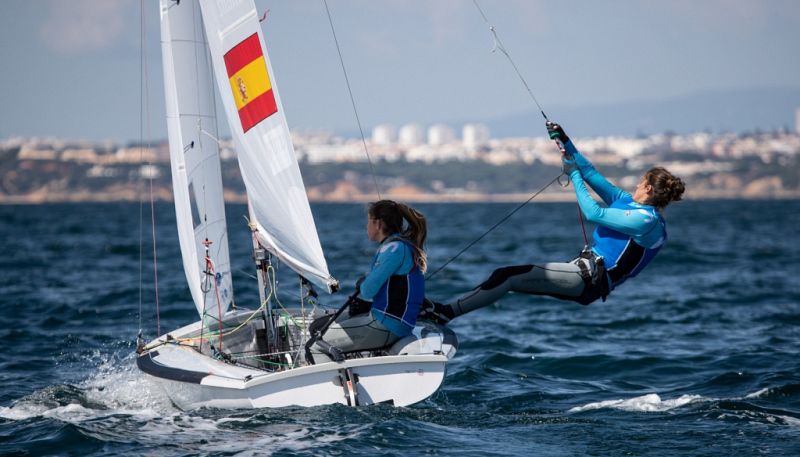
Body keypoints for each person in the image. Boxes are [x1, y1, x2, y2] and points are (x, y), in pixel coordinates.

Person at [419, 121, 685, 324]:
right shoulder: (626, 201)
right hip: (580, 271)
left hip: (588, 280)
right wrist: (565, 141)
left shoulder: (647, 223)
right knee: (506, 278)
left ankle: (443, 313)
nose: (637, 182)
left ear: (648, 188)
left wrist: (574, 176)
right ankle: (443, 312)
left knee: (507, 275)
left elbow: (594, 214)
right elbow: (591, 172)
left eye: (641, 181)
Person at [310, 200, 428, 363]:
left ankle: (335, 386)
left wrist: (363, 283)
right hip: (392, 322)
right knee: (316, 326)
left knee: (315, 344)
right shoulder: (399, 246)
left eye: (368, 221)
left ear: (378, 223)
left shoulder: (394, 249)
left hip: (387, 325)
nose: (366, 226)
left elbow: (367, 291)